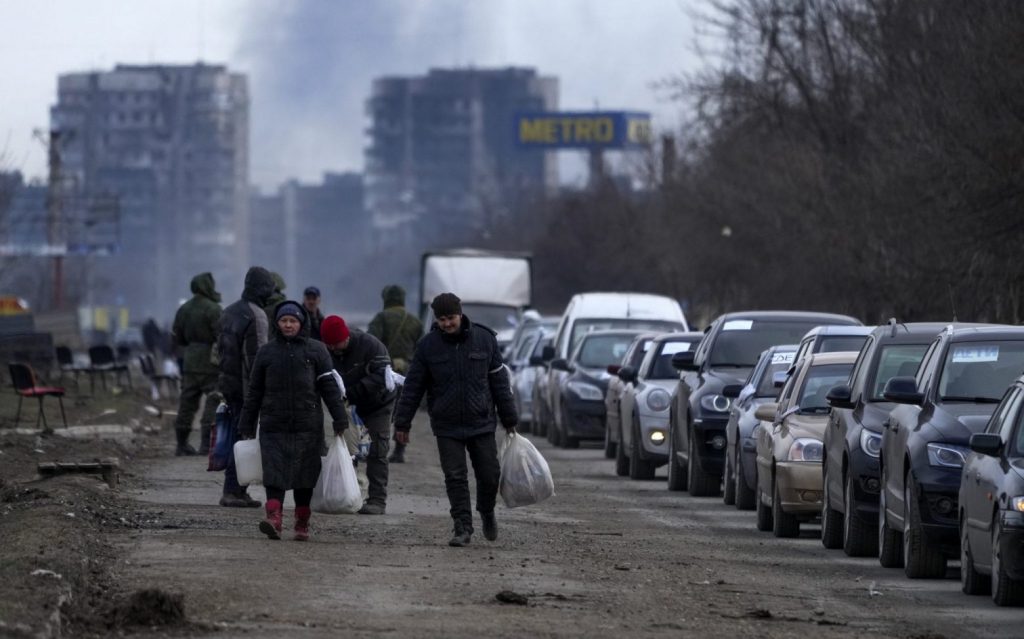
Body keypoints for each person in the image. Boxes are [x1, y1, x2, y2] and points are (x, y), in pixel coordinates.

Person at [391, 292, 518, 547]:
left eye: (450, 318)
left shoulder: (485, 340)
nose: (447, 323)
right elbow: (413, 387)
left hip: (481, 421)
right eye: (441, 319)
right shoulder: (427, 346)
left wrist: (509, 418)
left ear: (460, 314)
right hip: (447, 425)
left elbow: (499, 383)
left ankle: (486, 510)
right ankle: (462, 526)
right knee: (455, 477)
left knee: (489, 474)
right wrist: (402, 423)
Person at [237, 301, 349, 541]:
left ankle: (302, 522)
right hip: (273, 424)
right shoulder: (267, 352)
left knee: (305, 476)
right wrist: (246, 422)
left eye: (293, 321)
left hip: (307, 425)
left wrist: (340, 417)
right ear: (277, 323)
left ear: (301, 323)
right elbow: (255, 390)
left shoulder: (317, 350)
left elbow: (329, 388)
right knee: (273, 472)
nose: (288, 325)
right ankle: (274, 518)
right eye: (284, 321)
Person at [321, 315, 396, 515]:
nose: (335, 349)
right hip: (347, 406)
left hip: (378, 404)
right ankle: (346, 494)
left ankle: (377, 499)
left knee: (377, 450)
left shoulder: (371, 346)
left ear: (346, 336)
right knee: (346, 449)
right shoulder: (326, 352)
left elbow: (382, 375)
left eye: (337, 344)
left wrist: (353, 392)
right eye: (330, 345)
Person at [215, 266, 276, 508]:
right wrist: (263, 390)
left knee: (236, 437)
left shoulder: (228, 312)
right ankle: (233, 490)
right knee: (244, 439)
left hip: (228, 385)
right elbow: (257, 359)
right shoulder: (257, 316)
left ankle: (236, 490)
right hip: (246, 389)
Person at [367, 284, 424, 463]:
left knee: (378, 410)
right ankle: (399, 450)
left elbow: (371, 342)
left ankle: (375, 447)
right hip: (407, 372)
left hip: (384, 371)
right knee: (403, 411)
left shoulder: (381, 318)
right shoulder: (415, 321)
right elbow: (422, 349)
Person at [170, 272, 222, 456]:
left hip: (190, 359)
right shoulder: (214, 309)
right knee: (214, 398)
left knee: (187, 402)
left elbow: (177, 336)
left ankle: (181, 444)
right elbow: (222, 335)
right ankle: (206, 444)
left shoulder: (184, 309)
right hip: (210, 361)